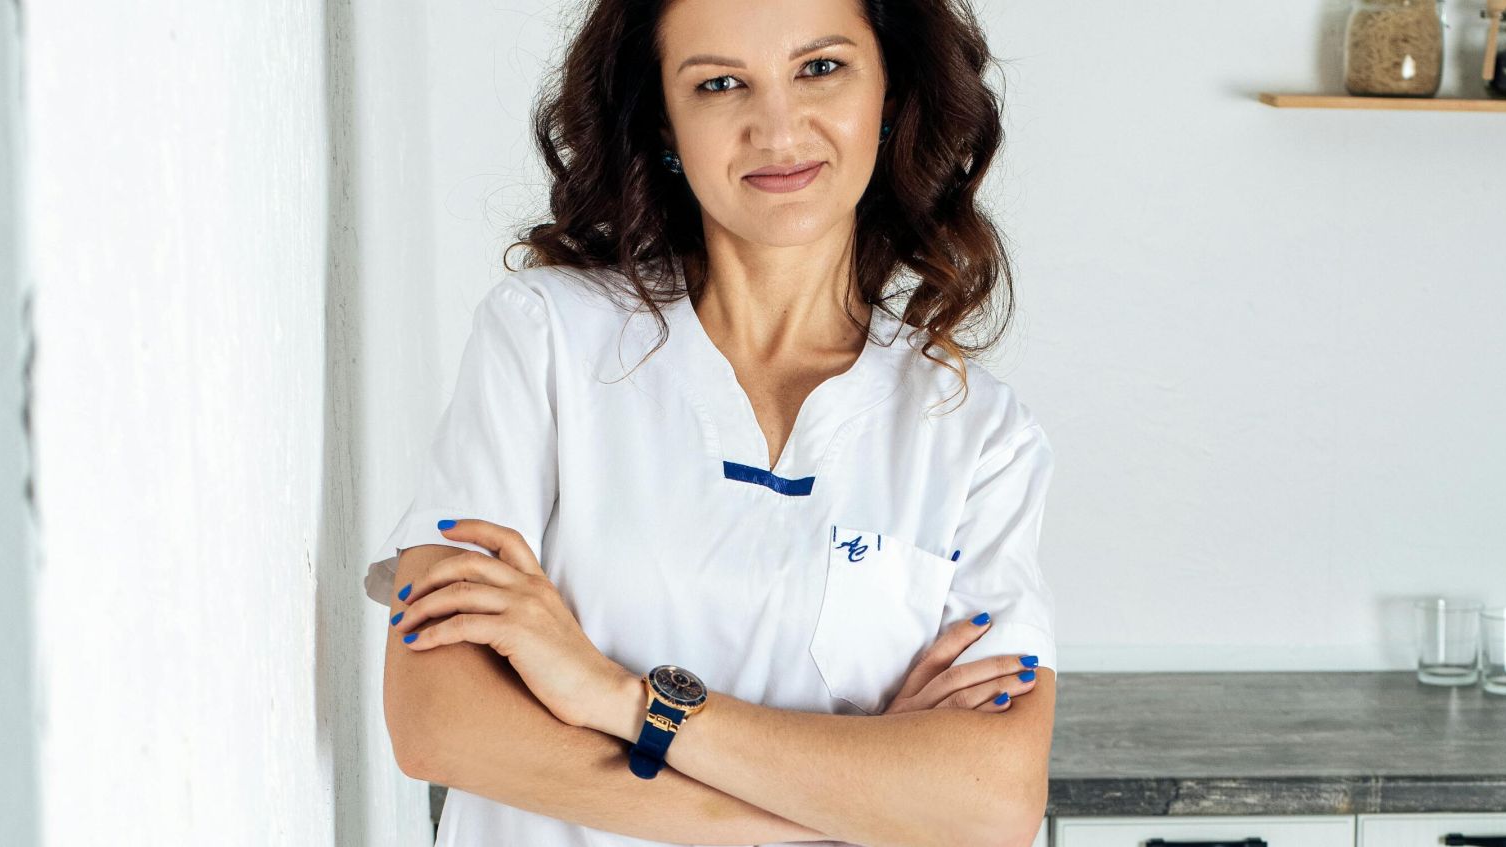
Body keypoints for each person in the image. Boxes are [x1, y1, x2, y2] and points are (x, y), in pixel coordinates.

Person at [363, 0, 1057, 843]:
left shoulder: (978, 435)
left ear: (891, 93)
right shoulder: (546, 336)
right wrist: (847, 805)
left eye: (821, 68)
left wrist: (620, 698)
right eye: (720, 84)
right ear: (664, 119)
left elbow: (995, 801)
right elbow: (439, 721)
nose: (778, 128)